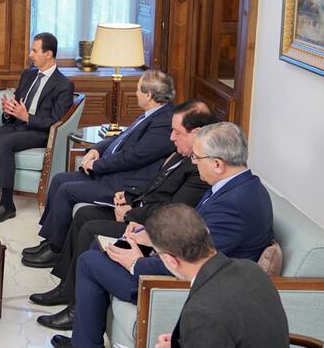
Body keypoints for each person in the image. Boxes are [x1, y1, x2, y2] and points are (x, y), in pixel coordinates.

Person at [51, 122, 275, 348]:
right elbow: (194, 237)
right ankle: (84, 339)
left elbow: (196, 260)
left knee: (90, 261)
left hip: (172, 283)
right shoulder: (239, 187)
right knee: (102, 247)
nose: (193, 162)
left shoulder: (234, 206)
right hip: (189, 269)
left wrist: (137, 264)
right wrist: (152, 236)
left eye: (197, 157)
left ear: (217, 164)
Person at [30, 100, 216, 330]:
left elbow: (173, 210)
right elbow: (155, 186)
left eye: (177, 132)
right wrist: (128, 197)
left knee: (90, 228)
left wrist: (131, 213)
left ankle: (76, 310)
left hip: (150, 227)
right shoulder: (181, 153)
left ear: (196, 132)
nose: (171, 138)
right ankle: (66, 289)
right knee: (84, 215)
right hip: (140, 211)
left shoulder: (198, 168)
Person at [25, 70, 176, 268]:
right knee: (59, 179)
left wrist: (96, 165)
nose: (136, 93)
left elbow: (133, 157)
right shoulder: (152, 114)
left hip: (124, 182)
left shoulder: (164, 121)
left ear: (148, 94)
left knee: (66, 190)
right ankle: (52, 240)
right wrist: (96, 150)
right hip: (113, 173)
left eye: (138, 90)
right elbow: (120, 137)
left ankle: (55, 250)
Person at [0, 32, 74, 224]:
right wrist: (8, 111)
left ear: (48, 54)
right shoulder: (28, 75)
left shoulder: (64, 84)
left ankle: (7, 204)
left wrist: (27, 117)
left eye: (34, 51)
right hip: (17, 125)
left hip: (40, 132)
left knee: (4, 142)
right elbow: (17, 104)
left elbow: (56, 121)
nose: (30, 55)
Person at [148, 204, 289, 348]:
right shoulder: (251, 268)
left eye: (156, 253)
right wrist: (190, 339)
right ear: (207, 231)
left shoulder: (201, 313)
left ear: (170, 260)